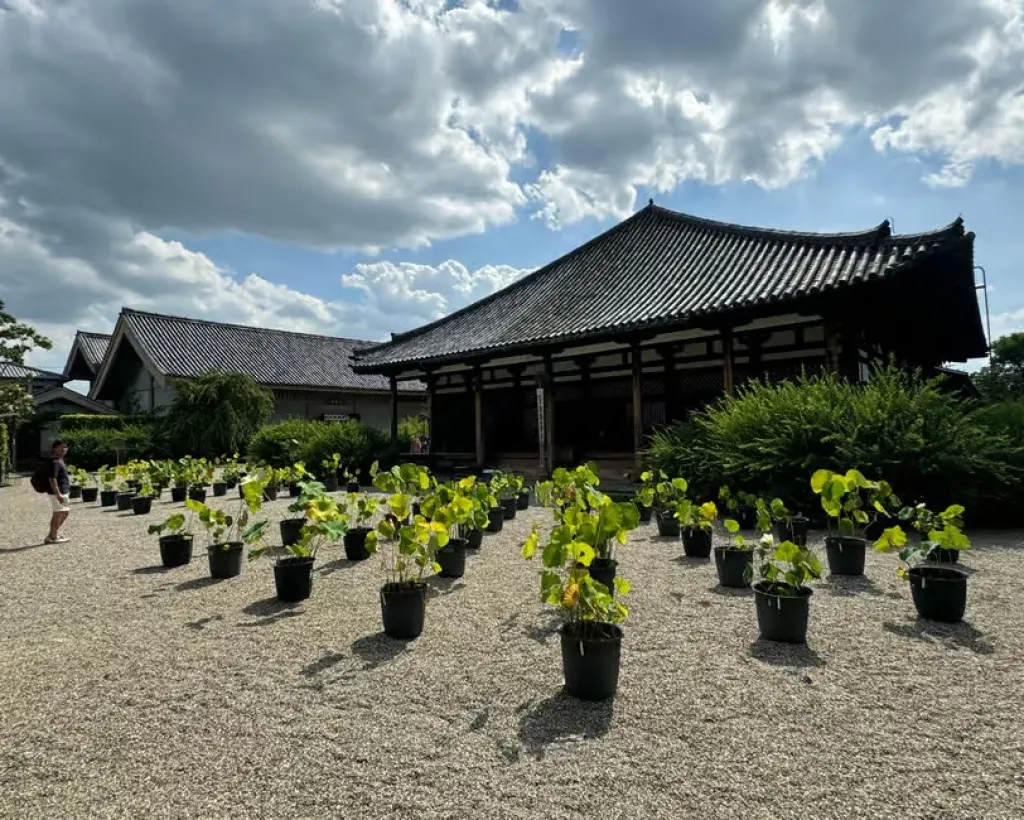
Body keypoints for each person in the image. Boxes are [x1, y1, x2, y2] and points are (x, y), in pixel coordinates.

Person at [44, 440, 71, 544]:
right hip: (58, 492)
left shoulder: (60, 460)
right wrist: (58, 493)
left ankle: (52, 534)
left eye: (65, 447)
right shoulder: (55, 461)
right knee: (58, 513)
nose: (63, 449)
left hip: (63, 490)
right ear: (55, 448)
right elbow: (52, 479)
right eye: (61, 447)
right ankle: (53, 537)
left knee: (64, 512)